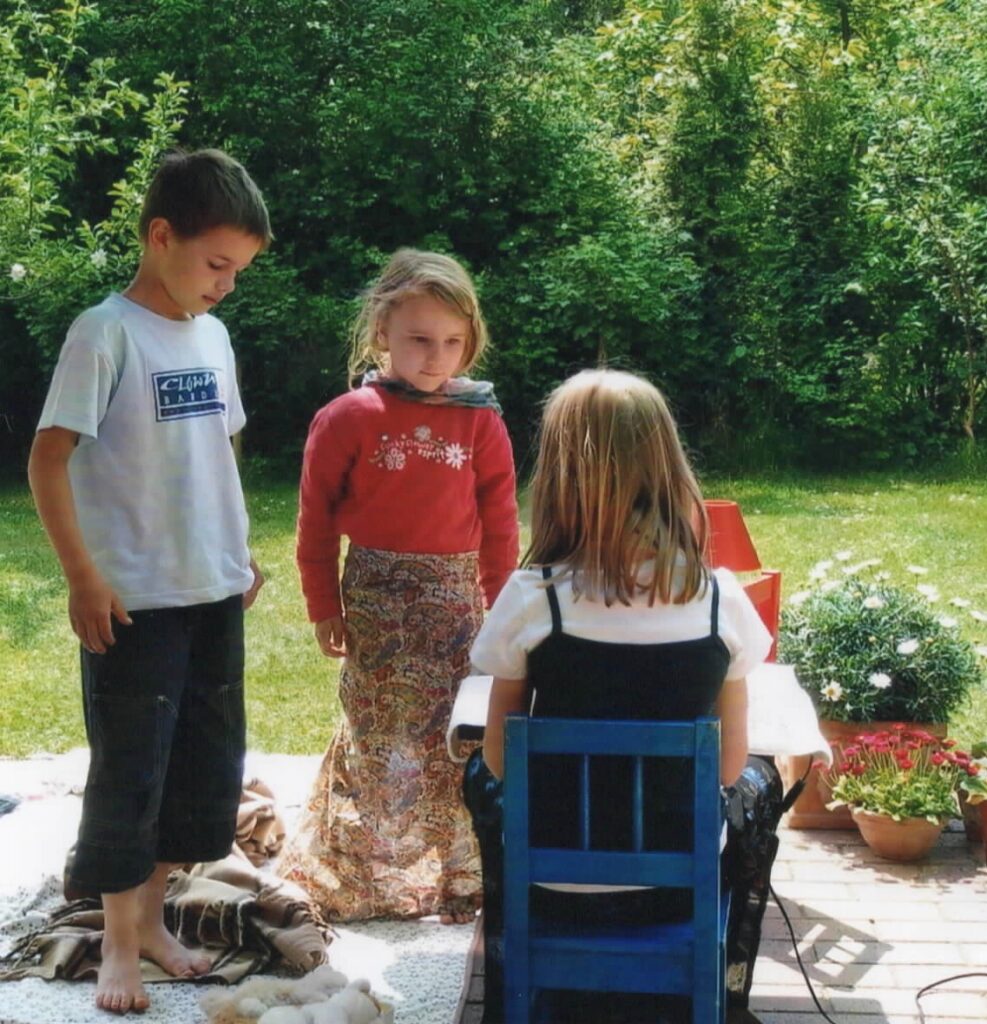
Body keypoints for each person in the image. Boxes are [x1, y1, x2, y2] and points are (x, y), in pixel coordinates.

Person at [27, 149, 271, 1015]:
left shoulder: (214, 335)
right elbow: (48, 459)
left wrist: (238, 548)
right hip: (132, 599)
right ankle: (119, 947)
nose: (227, 285)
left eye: (239, 270)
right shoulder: (105, 332)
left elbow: (222, 446)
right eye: (216, 264)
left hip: (211, 587)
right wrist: (82, 576)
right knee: (133, 773)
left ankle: (158, 917)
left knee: (208, 773)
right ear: (159, 236)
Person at [462, 368, 781, 1024]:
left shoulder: (535, 599)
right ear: (668, 467)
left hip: (551, 887)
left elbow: (499, 761)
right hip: (670, 895)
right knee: (760, 779)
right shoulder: (720, 599)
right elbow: (726, 768)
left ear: (557, 474)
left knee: (472, 771)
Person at [278, 248, 519, 924]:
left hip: (454, 605)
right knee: (379, 734)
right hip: (377, 599)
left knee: (453, 735)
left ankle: (455, 873)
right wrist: (323, 605)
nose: (436, 357)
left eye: (452, 342)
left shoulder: (481, 420)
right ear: (382, 330)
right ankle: (364, 877)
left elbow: (500, 524)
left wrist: (503, 612)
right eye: (419, 340)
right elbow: (315, 521)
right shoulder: (347, 416)